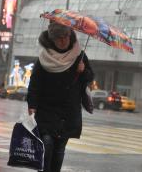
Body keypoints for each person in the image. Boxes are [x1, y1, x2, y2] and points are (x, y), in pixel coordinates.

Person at [27, 22, 94, 172]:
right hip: (47, 108)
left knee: (59, 148)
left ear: (70, 35)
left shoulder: (79, 56)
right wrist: (32, 104)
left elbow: (90, 78)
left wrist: (83, 71)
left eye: (66, 36)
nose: (63, 40)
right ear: (53, 39)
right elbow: (35, 83)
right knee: (47, 142)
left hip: (68, 110)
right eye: (59, 38)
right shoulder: (45, 57)